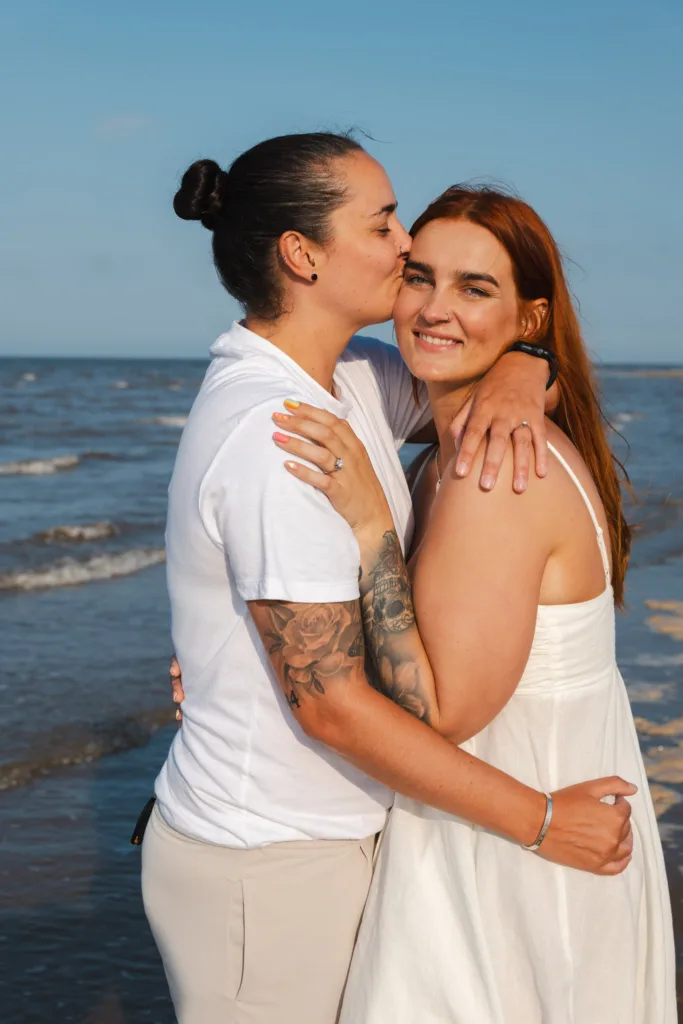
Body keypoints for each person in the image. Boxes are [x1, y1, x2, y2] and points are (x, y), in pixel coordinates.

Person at [141, 133, 635, 1024]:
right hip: (271, 858)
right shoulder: (280, 437)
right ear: (303, 255)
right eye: (382, 226)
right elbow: (332, 707)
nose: (403, 245)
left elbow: (463, 374)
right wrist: (539, 820)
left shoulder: (354, 382)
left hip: (324, 840)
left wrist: (526, 367)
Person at [276, 184, 676, 1023]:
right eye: (419, 277)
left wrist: (371, 526)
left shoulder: (493, 471)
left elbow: (440, 712)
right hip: (514, 818)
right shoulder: (459, 442)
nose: (434, 308)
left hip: (513, 842)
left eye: (474, 287)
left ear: (529, 317)